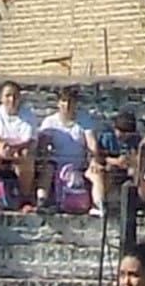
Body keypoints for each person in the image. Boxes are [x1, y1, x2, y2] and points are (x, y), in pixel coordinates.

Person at [36, 86, 106, 216]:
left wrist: (94, 160)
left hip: (80, 164)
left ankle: (99, 204)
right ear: (58, 103)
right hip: (57, 164)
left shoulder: (84, 120)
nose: (67, 105)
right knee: (47, 169)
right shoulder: (50, 122)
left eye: (70, 101)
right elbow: (42, 146)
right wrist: (45, 157)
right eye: (63, 101)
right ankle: (42, 201)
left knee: (96, 173)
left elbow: (92, 143)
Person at [0, 81, 40, 209]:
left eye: (15, 96)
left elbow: (30, 140)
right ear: (1, 97)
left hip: (19, 150)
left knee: (27, 155)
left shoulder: (28, 114)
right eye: (7, 96)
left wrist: (13, 149)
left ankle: (24, 197)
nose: (11, 100)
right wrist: (0, 146)